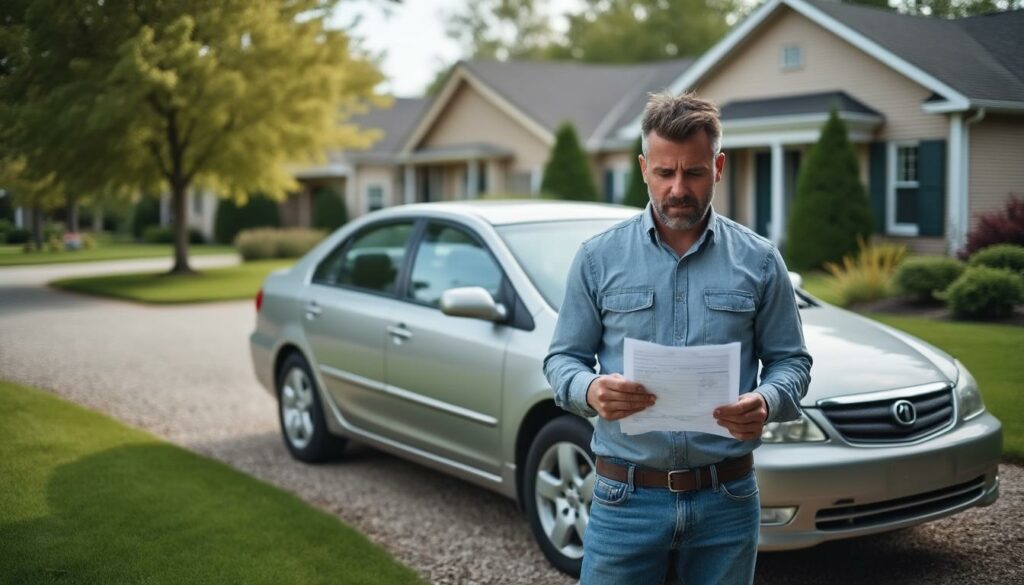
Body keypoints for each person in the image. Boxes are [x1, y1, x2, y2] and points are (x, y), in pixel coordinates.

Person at [543, 92, 812, 585]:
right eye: (665, 173)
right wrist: (590, 391)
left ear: (719, 166)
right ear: (644, 167)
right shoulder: (598, 258)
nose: (677, 188)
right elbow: (562, 360)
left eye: (693, 172)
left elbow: (792, 363)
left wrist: (767, 401)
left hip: (726, 500)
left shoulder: (760, 260)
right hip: (624, 499)